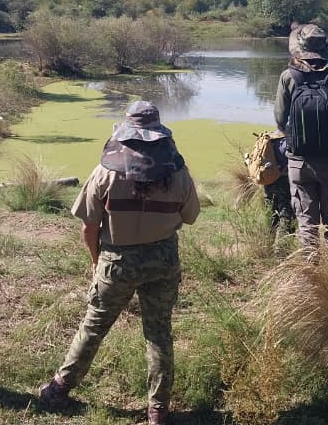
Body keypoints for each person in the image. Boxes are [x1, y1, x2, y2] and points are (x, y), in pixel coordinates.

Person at [39, 101, 200, 425]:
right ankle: (158, 411)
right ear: (159, 134)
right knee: (159, 333)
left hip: (116, 264)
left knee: (94, 326)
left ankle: (59, 389)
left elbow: (89, 227)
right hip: (163, 263)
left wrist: (98, 262)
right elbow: (191, 216)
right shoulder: (178, 172)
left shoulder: (105, 173)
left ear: (125, 133)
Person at [273, 24, 328, 248]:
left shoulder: (288, 76)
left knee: (306, 223)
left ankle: (311, 273)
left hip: (299, 161)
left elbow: (280, 120)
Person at [262, 131, 295, 241]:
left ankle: (267, 244)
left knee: (271, 214)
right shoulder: (289, 139)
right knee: (286, 215)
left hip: (268, 182)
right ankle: (281, 248)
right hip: (284, 182)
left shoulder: (269, 137)